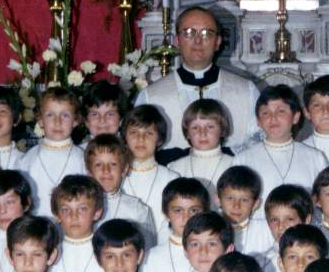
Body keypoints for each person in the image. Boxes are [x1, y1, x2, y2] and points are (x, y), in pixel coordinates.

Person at [134, 5, 261, 154]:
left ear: (218, 42)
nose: (198, 40)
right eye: (189, 33)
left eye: (206, 33)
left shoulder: (246, 91)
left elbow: (260, 140)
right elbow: (139, 147)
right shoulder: (151, 97)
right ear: (177, 41)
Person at [235, 85, 326, 205]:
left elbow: (325, 202)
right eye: (266, 113)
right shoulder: (243, 160)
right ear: (258, 121)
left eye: (281, 111)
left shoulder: (316, 158)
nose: (273, 118)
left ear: (296, 117)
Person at [19, 86, 88, 205]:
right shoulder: (29, 159)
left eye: (65, 115)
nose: (57, 121)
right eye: (50, 115)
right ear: (40, 120)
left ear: (76, 120)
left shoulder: (83, 158)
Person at [138, 178, 208, 272]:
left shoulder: (214, 252)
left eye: (194, 210)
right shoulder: (150, 258)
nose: (186, 218)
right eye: (178, 210)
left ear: (205, 212)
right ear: (166, 214)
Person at [121, 104, 179, 234]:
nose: (140, 139)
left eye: (149, 133)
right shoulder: (115, 177)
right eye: (134, 132)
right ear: (125, 137)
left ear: (159, 139)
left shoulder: (171, 178)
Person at [87, 135, 155, 244]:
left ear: (124, 169)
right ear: (89, 171)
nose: (106, 170)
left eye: (113, 164)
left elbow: (147, 250)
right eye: (99, 164)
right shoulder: (79, 208)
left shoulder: (137, 209)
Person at [169, 98, 236, 193]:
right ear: (187, 133)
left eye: (210, 127)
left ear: (222, 130)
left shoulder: (234, 165)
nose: (202, 133)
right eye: (195, 128)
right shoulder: (175, 169)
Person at [52, 174, 107, 272]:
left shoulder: (106, 251)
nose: (74, 216)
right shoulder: (50, 253)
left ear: (97, 213)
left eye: (82, 209)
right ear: (57, 215)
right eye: (66, 210)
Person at [216, 165, 265, 253]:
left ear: (255, 204)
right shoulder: (209, 229)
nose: (236, 206)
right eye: (230, 198)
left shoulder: (264, 231)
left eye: (244, 200)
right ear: (218, 199)